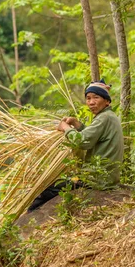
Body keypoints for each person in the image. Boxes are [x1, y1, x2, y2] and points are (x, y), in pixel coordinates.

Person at [27, 79, 124, 212]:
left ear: (107, 101)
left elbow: (82, 142)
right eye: (88, 98)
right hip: (105, 178)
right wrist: (76, 124)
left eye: (96, 97)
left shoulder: (104, 118)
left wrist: (66, 128)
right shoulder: (109, 116)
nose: (91, 102)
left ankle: (28, 222)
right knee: (64, 183)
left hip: (95, 180)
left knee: (48, 190)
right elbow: (92, 135)